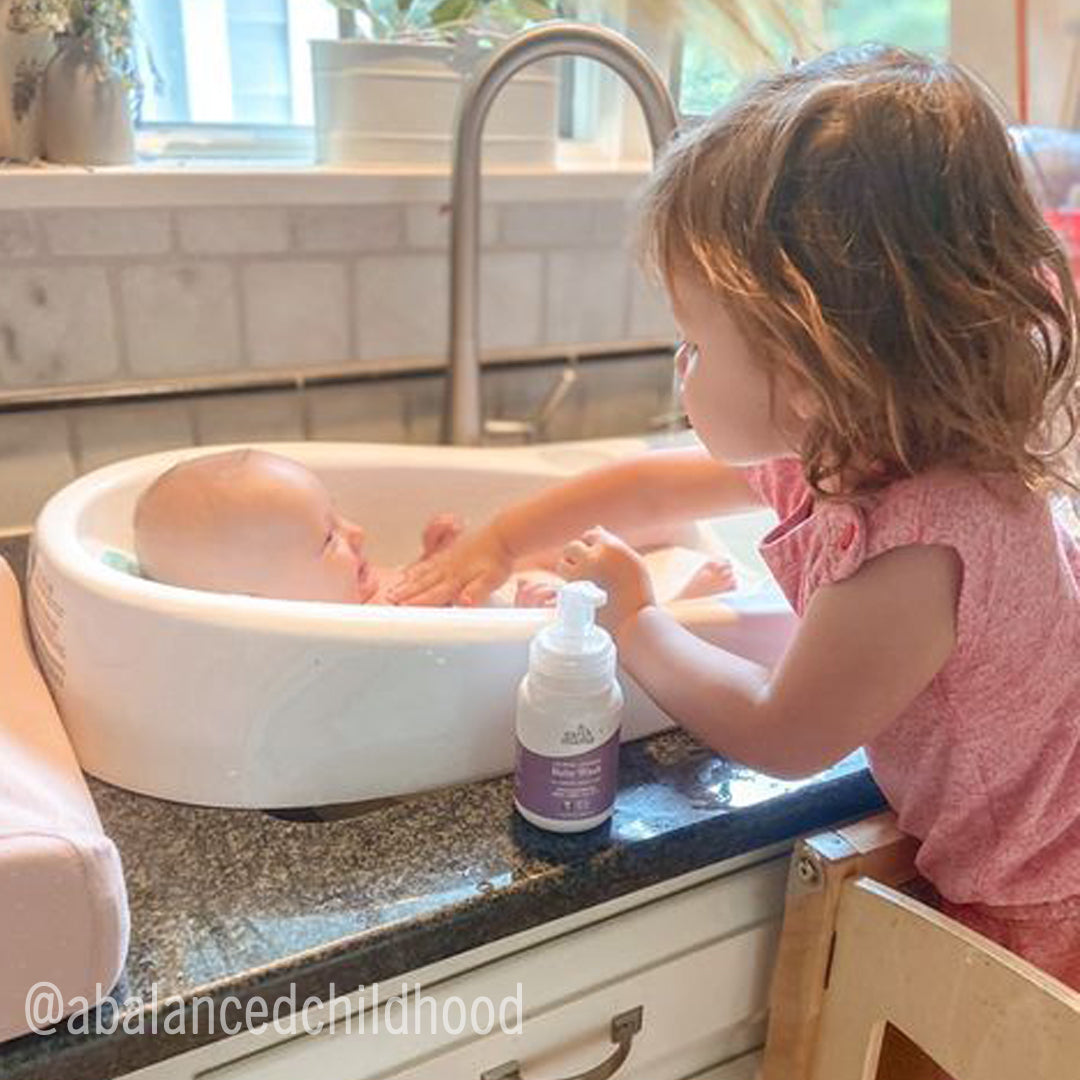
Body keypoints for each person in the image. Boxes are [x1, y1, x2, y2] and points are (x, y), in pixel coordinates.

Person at [391, 45, 1080, 992]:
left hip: (1038, 898)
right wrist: (502, 538)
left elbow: (785, 736)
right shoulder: (863, 438)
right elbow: (649, 487)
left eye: (693, 340)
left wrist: (636, 620)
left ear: (807, 370)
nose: (679, 368)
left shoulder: (920, 547)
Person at [133, 449, 736, 606]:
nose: (358, 531)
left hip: (484, 597)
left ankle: (628, 549)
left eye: (337, 515)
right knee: (567, 614)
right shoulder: (345, 627)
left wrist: (432, 555)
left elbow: (427, 585)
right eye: (328, 539)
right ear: (256, 605)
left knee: (530, 564)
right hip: (506, 637)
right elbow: (448, 649)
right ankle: (678, 605)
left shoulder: (350, 589)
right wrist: (525, 609)